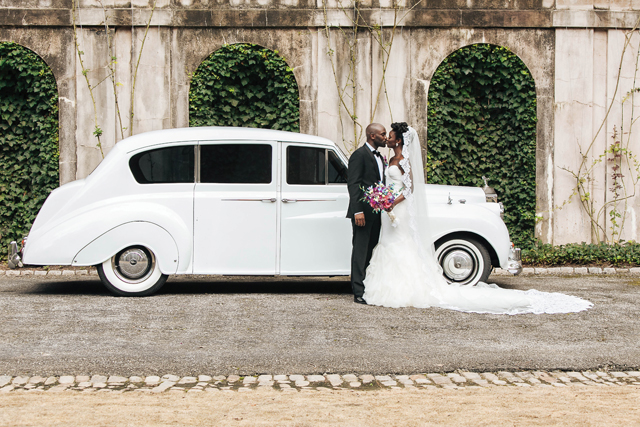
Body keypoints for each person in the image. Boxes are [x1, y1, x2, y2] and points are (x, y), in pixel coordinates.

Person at [362, 122, 593, 314]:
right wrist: (382, 199)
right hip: (388, 211)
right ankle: (393, 285)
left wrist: (392, 202)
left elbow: (409, 190)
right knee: (390, 244)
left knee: (403, 245)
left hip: (397, 210)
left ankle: (406, 288)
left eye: (390, 136)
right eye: (385, 136)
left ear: (399, 140)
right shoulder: (388, 159)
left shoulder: (403, 161)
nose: (387, 139)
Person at [347, 123, 387, 304]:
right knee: (360, 250)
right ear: (372, 136)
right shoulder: (359, 155)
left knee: (371, 249)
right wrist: (358, 211)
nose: (385, 137)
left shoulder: (381, 157)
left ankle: (369, 286)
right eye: (383, 134)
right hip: (363, 213)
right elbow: (353, 184)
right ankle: (358, 291)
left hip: (377, 213)